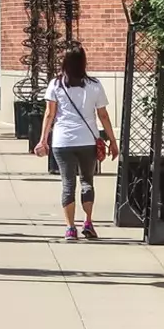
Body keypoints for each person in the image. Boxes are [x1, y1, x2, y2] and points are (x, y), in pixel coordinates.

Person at [34, 45, 118, 241]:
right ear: (83, 62)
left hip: (63, 141)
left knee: (68, 184)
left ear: (64, 62)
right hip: (88, 140)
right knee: (87, 181)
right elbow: (103, 115)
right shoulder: (94, 85)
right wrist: (112, 141)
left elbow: (49, 114)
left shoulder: (56, 84)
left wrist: (42, 139)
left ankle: (70, 228)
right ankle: (88, 222)